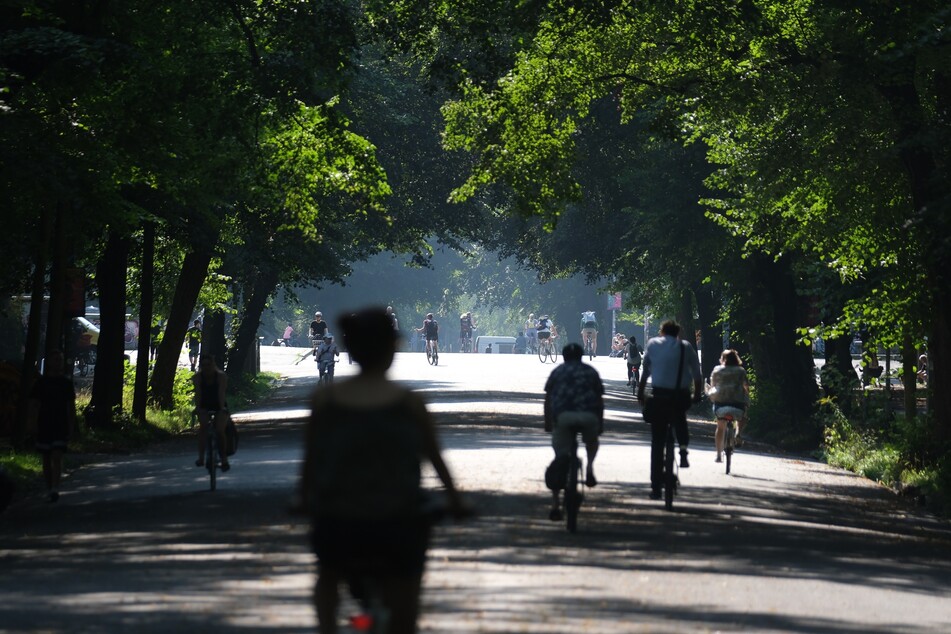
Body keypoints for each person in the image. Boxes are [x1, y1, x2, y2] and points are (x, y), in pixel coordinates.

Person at [299, 308, 466, 634]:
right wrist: (456, 500)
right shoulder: (408, 403)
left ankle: (327, 626)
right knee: (406, 584)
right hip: (398, 516)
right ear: (391, 350)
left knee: (329, 574)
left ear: (352, 351)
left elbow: (311, 460)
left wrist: (303, 498)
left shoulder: (326, 400)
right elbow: (435, 459)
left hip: (340, 514)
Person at [637, 320, 702, 500]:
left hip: (659, 397)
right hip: (680, 395)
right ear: (678, 333)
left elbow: (646, 372)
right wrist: (697, 395)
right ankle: (682, 449)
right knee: (680, 417)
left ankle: (655, 487)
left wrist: (641, 393)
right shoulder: (686, 347)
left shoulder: (653, 344)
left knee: (657, 442)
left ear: (662, 332)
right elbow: (697, 374)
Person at [544, 342, 604, 521]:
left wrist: (548, 422)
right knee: (592, 441)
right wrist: (600, 423)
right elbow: (600, 400)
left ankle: (555, 503)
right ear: (581, 356)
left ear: (563, 357)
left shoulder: (557, 372)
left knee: (560, 459)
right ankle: (590, 467)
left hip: (563, 417)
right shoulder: (590, 371)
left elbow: (548, 399)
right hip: (588, 416)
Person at [29, 350, 77, 502]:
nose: (58, 362)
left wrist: (71, 426)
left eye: (60, 360)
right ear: (49, 362)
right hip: (44, 422)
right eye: (56, 359)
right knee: (46, 457)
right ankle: (49, 487)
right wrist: (33, 423)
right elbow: (35, 405)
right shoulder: (41, 383)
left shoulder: (66, 383)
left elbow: (71, 407)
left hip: (60, 423)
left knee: (57, 455)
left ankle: (55, 487)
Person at [708, 349, 750, 462]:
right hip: (737, 404)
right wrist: (746, 396)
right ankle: (738, 433)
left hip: (721, 404)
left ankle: (718, 455)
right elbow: (746, 386)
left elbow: (713, 385)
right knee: (744, 415)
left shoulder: (717, 370)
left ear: (723, 359)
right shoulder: (741, 371)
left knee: (720, 428)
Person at [193, 354, 230, 472]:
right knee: (203, 427)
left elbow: (221, 393)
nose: (206, 367)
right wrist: (198, 408)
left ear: (213, 365)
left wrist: (221, 408)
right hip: (204, 404)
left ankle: (224, 459)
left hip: (219, 404)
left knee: (220, 430)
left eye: (208, 365)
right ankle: (201, 457)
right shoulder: (198, 377)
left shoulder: (221, 376)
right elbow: (198, 394)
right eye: (203, 365)